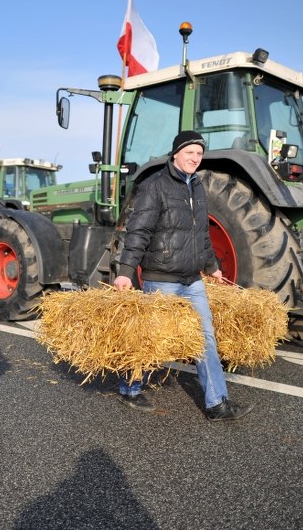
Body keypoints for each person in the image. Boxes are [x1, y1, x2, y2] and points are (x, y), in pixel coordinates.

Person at [113, 130, 253, 421]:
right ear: (175, 153)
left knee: (206, 340)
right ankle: (130, 387)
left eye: (199, 153)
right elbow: (139, 231)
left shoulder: (197, 187)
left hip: (193, 280)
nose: (195, 158)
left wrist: (212, 266)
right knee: (153, 339)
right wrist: (126, 271)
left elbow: (200, 234)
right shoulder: (155, 186)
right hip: (161, 279)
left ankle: (217, 404)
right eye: (190, 152)